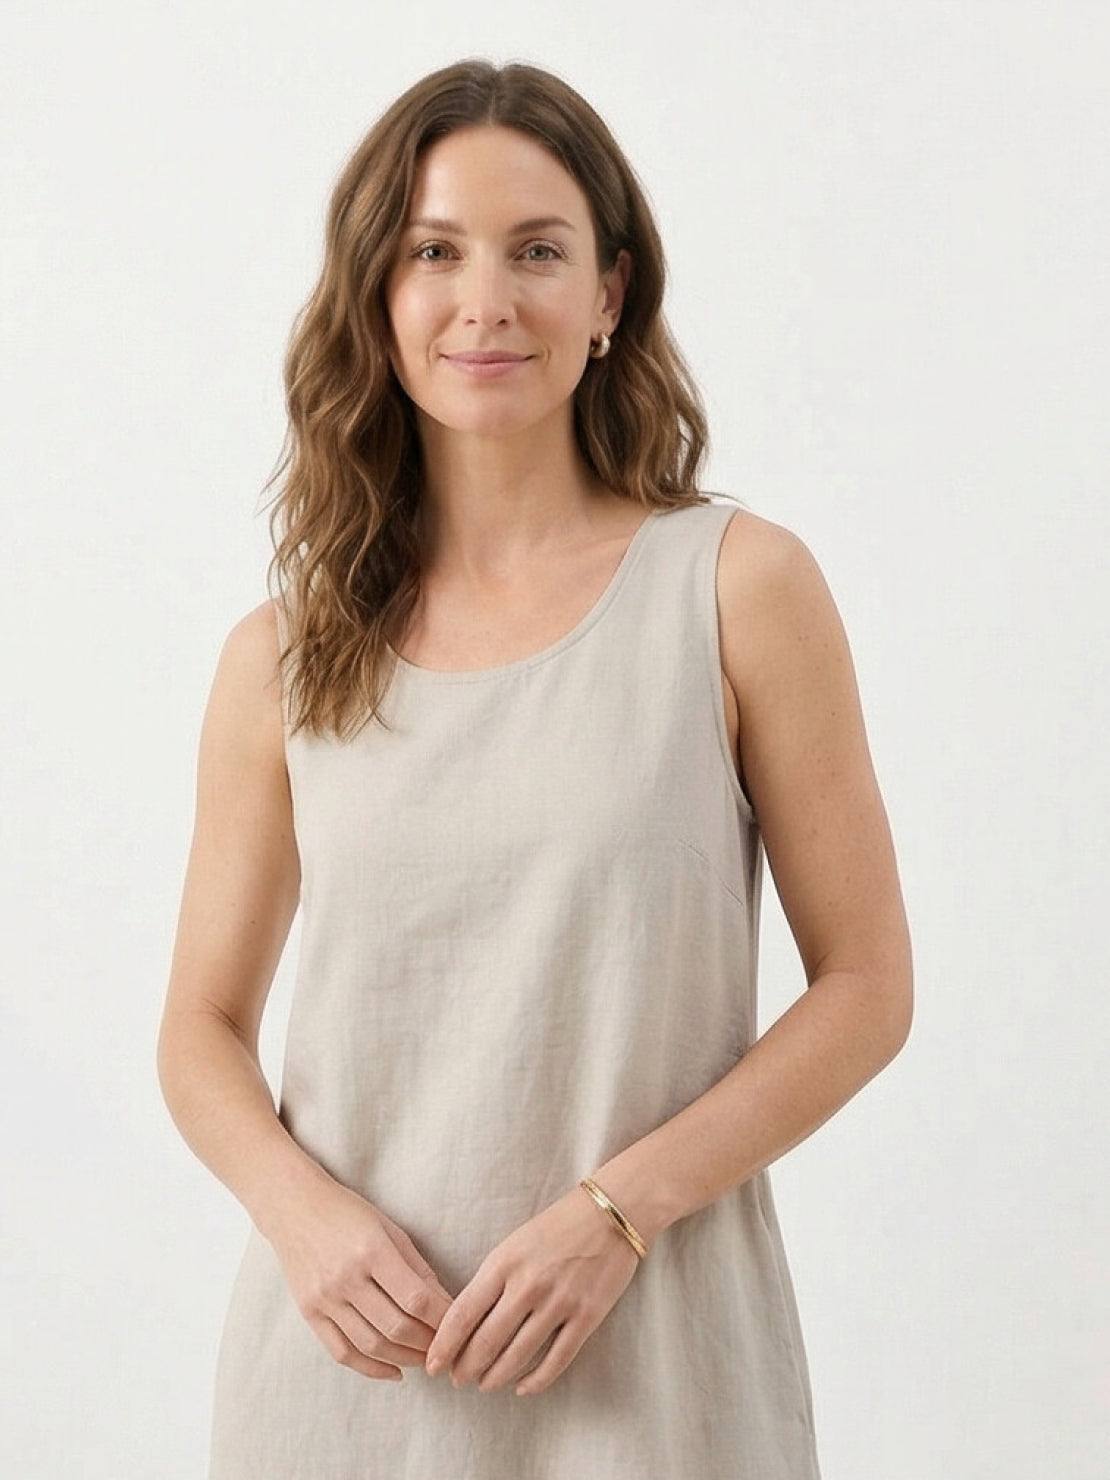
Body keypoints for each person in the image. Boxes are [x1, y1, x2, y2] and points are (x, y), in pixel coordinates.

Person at [157, 58, 913, 1480]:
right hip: (345, 1384)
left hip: (653, 1368)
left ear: (611, 294)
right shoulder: (283, 656)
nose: (486, 299)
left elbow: (868, 987)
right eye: (434, 251)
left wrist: (618, 1212)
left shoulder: (736, 589)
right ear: (376, 297)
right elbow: (198, 1028)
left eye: (539, 251)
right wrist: (302, 1219)